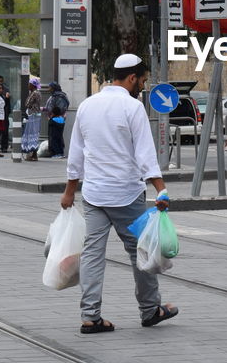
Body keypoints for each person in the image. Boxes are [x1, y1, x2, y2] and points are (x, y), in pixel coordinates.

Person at [60, 55, 178, 334]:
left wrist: (69, 192)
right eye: (143, 80)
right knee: (142, 251)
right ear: (132, 78)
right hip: (126, 193)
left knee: (92, 253)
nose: (142, 86)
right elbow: (145, 153)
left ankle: (90, 316)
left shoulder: (88, 105)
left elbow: (75, 153)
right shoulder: (132, 106)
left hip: (94, 193)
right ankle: (150, 310)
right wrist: (161, 188)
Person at [45, 81, 70, 159]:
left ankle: (58, 152)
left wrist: (52, 114)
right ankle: (56, 152)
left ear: (54, 88)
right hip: (55, 118)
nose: (48, 89)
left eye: (50, 87)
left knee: (55, 137)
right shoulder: (55, 95)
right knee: (55, 136)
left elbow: (60, 108)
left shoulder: (59, 96)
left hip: (56, 119)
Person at [21, 79, 43, 161]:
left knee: (32, 134)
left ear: (33, 85)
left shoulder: (34, 93)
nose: (28, 86)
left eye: (29, 84)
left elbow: (27, 103)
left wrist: (27, 102)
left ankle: (33, 154)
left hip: (33, 116)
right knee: (33, 134)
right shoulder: (36, 93)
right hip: (35, 115)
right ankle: (33, 154)